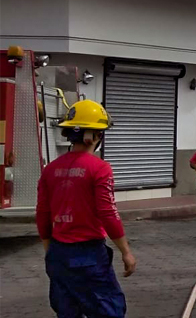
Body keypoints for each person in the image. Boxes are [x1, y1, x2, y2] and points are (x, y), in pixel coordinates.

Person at [36, 99, 136, 318]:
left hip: (58, 254)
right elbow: (108, 212)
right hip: (88, 255)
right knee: (110, 310)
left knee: (67, 311)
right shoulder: (100, 169)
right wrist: (126, 252)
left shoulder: (50, 170)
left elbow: (42, 215)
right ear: (93, 136)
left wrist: (49, 250)